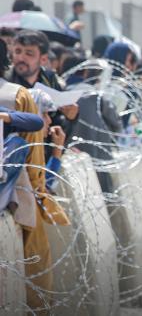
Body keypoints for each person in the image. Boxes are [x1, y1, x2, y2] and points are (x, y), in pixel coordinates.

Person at [0, 37, 70, 313]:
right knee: (36, 279)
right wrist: (41, 194)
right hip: (20, 199)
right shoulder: (18, 96)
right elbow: (33, 158)